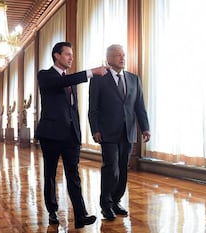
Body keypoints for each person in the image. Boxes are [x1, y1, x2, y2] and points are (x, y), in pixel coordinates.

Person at [35, 41, 108, 228]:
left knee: (73, 175)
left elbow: (73, 109)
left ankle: (80, 214)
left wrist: (78, 132)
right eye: (67, 54)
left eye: (71, 54)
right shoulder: (45, 76)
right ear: (56, 56)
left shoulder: (70, 80)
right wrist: (91, 72)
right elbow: (61, 82)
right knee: (50, 174)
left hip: (71, 136)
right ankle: (52, 211)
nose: (71, 58)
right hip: (50, 135)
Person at [88, 44, 150, 221]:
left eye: (123, 55)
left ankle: (116, 200)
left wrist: (145, 127)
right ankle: (105, 205)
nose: (122, 58)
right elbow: (93, 108)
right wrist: (95, 129)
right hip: (107, 132)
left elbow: (139, 106)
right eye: (117, 55)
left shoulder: (134, 79)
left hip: (127, 132)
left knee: (123, 167)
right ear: (108, 59)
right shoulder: (99, 79)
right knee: (111, 168)